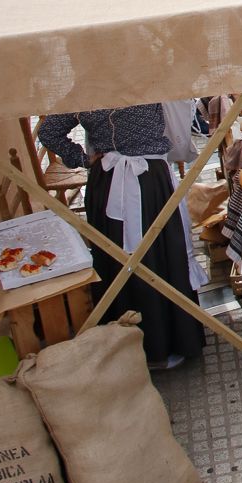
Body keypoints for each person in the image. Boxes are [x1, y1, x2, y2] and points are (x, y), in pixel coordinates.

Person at [38, 104, 204, 368]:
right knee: (159, 257)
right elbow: (183, 120)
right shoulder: (146, 81)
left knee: (122, 261)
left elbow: (48, 132)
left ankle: (128, 345)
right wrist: (83, 159)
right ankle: (173, 342)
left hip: (109, 183)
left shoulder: (84, 91)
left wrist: (82, 159)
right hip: (149, 184)